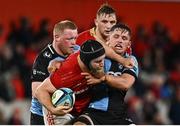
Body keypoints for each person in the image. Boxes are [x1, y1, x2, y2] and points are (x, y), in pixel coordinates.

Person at [74, 23, 139, 125]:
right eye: (116, 36)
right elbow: (75, 54)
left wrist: (103, 78)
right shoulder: (96, 54)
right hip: (93, 111)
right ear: (108, 39)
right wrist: (57, 62)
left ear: (129, 44)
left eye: (124, 38)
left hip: (118, 114)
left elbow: (125, 83)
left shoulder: (131, 60)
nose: (120, 40)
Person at [35, 40, 106, 125]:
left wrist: (100, 78)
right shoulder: (66, 73)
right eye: (98, 61)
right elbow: (40, 91)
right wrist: (53, 109)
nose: (102, 64)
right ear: (86, 62)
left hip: (81, 107)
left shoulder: (91, 58)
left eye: (103, 59)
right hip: (60, 110)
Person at [30, 20, 79, 125]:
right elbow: (36, 91)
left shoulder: (78, 52)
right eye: (69, 39)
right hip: (41, 115)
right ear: (57, 37)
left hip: (71, 112)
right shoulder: (43, 59)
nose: (74, 42)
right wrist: (53, 108)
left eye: (75, 38)